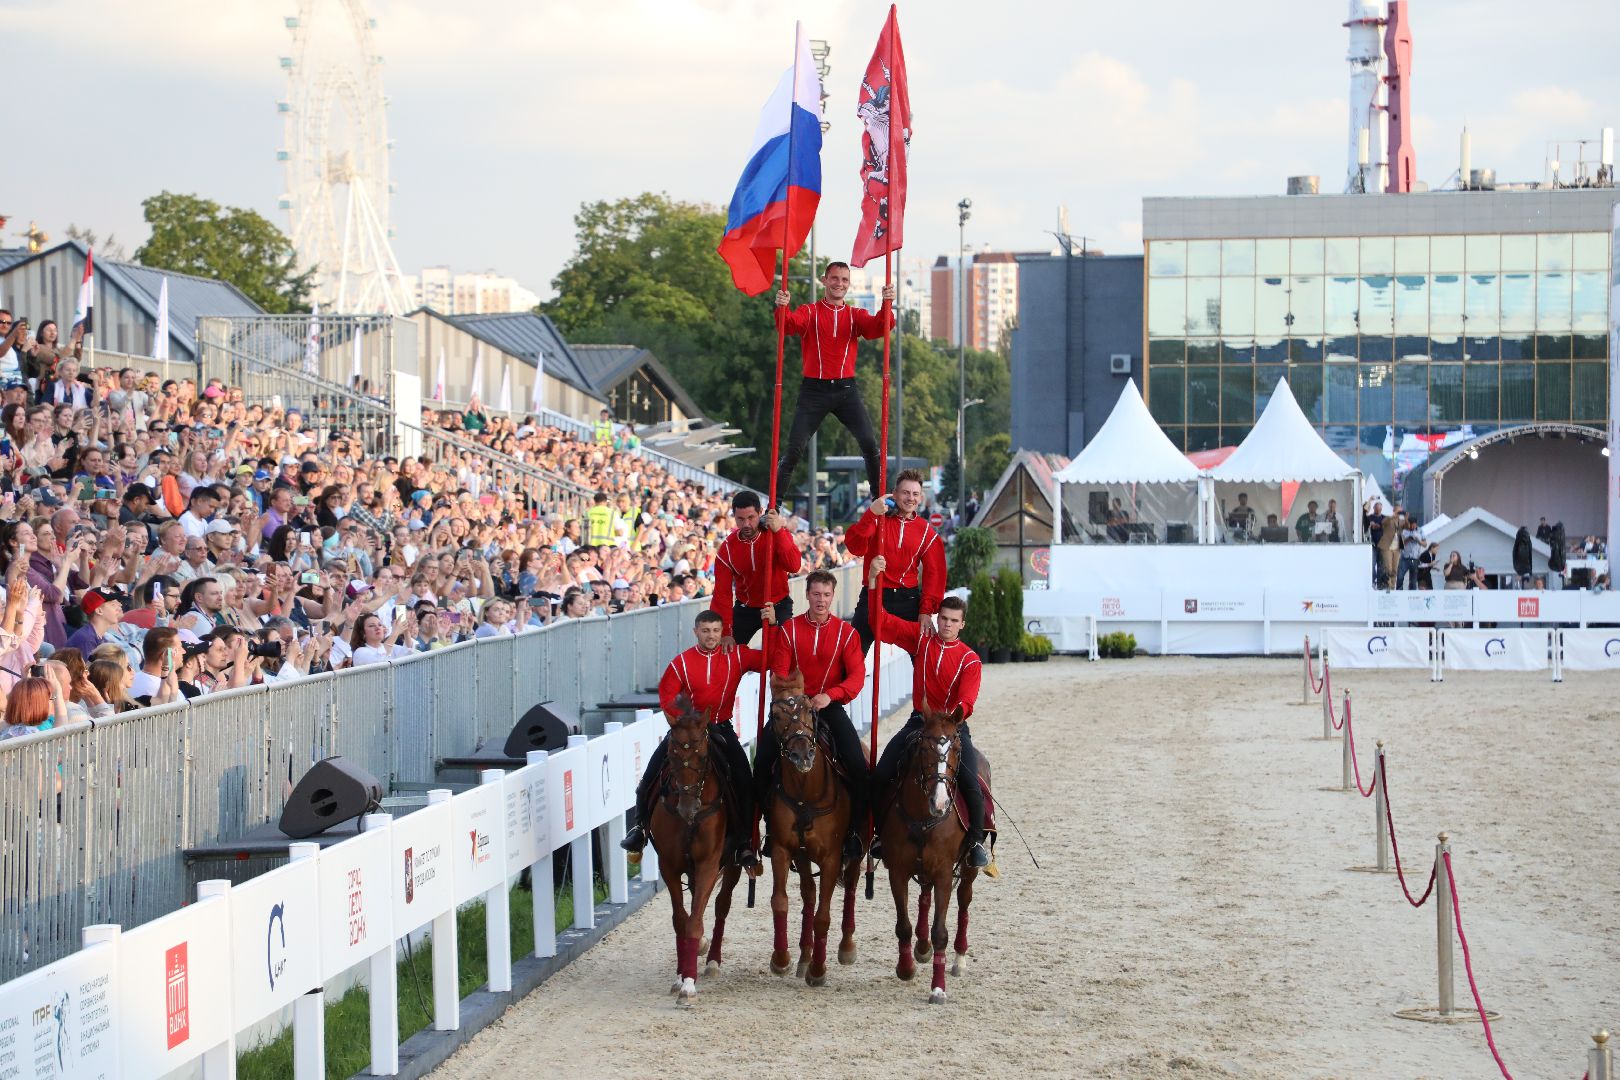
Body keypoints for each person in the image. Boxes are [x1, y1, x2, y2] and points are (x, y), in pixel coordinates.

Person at [620, 609, 763, 867]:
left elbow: (770, 660)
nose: (711, 636)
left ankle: (744, 841)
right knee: (650, 776)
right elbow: (667, 696)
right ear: (696, 631)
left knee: (746, 781)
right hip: (686, 730)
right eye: (706, 631)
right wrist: (685, 721)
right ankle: (640, 829)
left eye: (716, 631)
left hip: (721, 726)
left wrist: (771, 625)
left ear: (723, 632)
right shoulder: (681, 662)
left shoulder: (737, 655)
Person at [869, 594, 989, 868]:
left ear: (962, 624)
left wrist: (951, 719)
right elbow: (882, 622)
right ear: (937, 618)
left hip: (953, 727)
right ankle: (878, 834)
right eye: (943, 618)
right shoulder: (921, 639)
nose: (947, 624)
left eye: (953, 621)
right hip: (919, 722)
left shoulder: (970, 660)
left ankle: (976, 841)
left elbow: (967, 700)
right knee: (882, 773)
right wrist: (875, 584)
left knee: (972, 782)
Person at [760, 569, 870, 860]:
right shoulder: (789, 630)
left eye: (826, 594)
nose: (821, 600)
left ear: (833, 597)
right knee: (760, 764)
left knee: (859, 767)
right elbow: (780, 672)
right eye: (816, 594)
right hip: (792, 709)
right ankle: (766, 831)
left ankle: (856, 834)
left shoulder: (847, 634)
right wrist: (794, 697)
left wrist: (829, 695)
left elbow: (857, 676)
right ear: (807, 595)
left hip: (828, 707)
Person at [772, 263, 896, 498]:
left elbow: (881, 327)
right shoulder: (810, 312)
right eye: (835, 279)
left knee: (870, 445)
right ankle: (774, 505)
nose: (839, 284)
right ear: (824, 280)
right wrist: (782, 307)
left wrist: (886, 303)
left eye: (844, 280)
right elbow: (787, 325)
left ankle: (880, 499)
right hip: (813, 391)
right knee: (793, 450)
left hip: (846, 390)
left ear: (849, 284)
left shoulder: (854, 315)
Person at [846, 469, 946, 652]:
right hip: (874, 593)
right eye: (905, 492)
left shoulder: (926, 531)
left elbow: (935, 573)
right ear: (894, 494)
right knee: (852, 653)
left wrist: (925, 611)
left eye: (915, 494)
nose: (910, 498)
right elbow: (855, 547)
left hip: (907, 599)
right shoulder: (878, 520)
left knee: (925, 655)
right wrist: (871, 513)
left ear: (921, 497)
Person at [711, 490, 798, 650]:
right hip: (746, 608)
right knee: (723, 652)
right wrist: (726, 632)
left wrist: (779, 531)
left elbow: (794, 566)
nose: (746, 524)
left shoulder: (776, 534)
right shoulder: (727, 548)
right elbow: (722, 594)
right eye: (740, 519)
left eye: (751, 518)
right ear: (734, 517)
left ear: (760, 512)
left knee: (786, 654)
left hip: (778, 605)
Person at [64, 586, 127, 655]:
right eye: (113, 605)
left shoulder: (99, 637)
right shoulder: (86, 639)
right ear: (99, 611)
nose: (120, 605)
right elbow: (87, 666)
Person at [0, 676, 63, 741]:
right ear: (39, 704)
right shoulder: (32, 734)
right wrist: (58, 694)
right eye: (51, 699)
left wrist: (26, 685)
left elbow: (25, 699)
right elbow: (61, 738)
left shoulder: (6, 731)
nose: (52, 702)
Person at [1400, 517, 1424, 590]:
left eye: (1414, 525)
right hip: (1405, 557)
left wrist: (1418, 540)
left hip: (1415, 557)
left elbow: (1425, 544)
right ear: (1408, 524)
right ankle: (1399, 592)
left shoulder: (1420, 531)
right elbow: (1401, 544)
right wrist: (1409, 538)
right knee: (1400, 577)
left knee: (1413, 580)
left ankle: (1412, 595)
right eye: (1411, 525)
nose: (1413, 526)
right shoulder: (1404, 531)